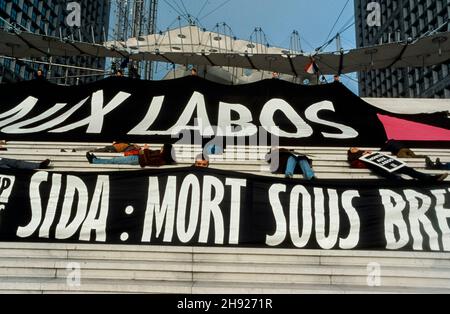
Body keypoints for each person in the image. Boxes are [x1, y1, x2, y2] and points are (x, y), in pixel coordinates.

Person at [347, 147, 447, 182]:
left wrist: (369, 153)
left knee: (409, 170)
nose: (355, 148)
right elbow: (354, 163)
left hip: (389, 164)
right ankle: (423, 181)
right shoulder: (353, 157)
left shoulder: (365, 152)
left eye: (355, 147)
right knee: (397, 178)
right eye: (353, 149)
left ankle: (430, 178)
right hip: (381, 168)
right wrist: (363, 155)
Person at [86, 144, 176, 167]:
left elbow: (148, 161)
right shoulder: (159, 153)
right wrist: (143, 150)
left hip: (136, 160)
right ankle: (96, 159)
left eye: (163, 148)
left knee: (114, 160)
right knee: (114, 159)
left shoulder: (161, 159)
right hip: (136, 157)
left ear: (166, 151)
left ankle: (94, 160)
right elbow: (147, 154)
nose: (161, 148)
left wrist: (145, 150)